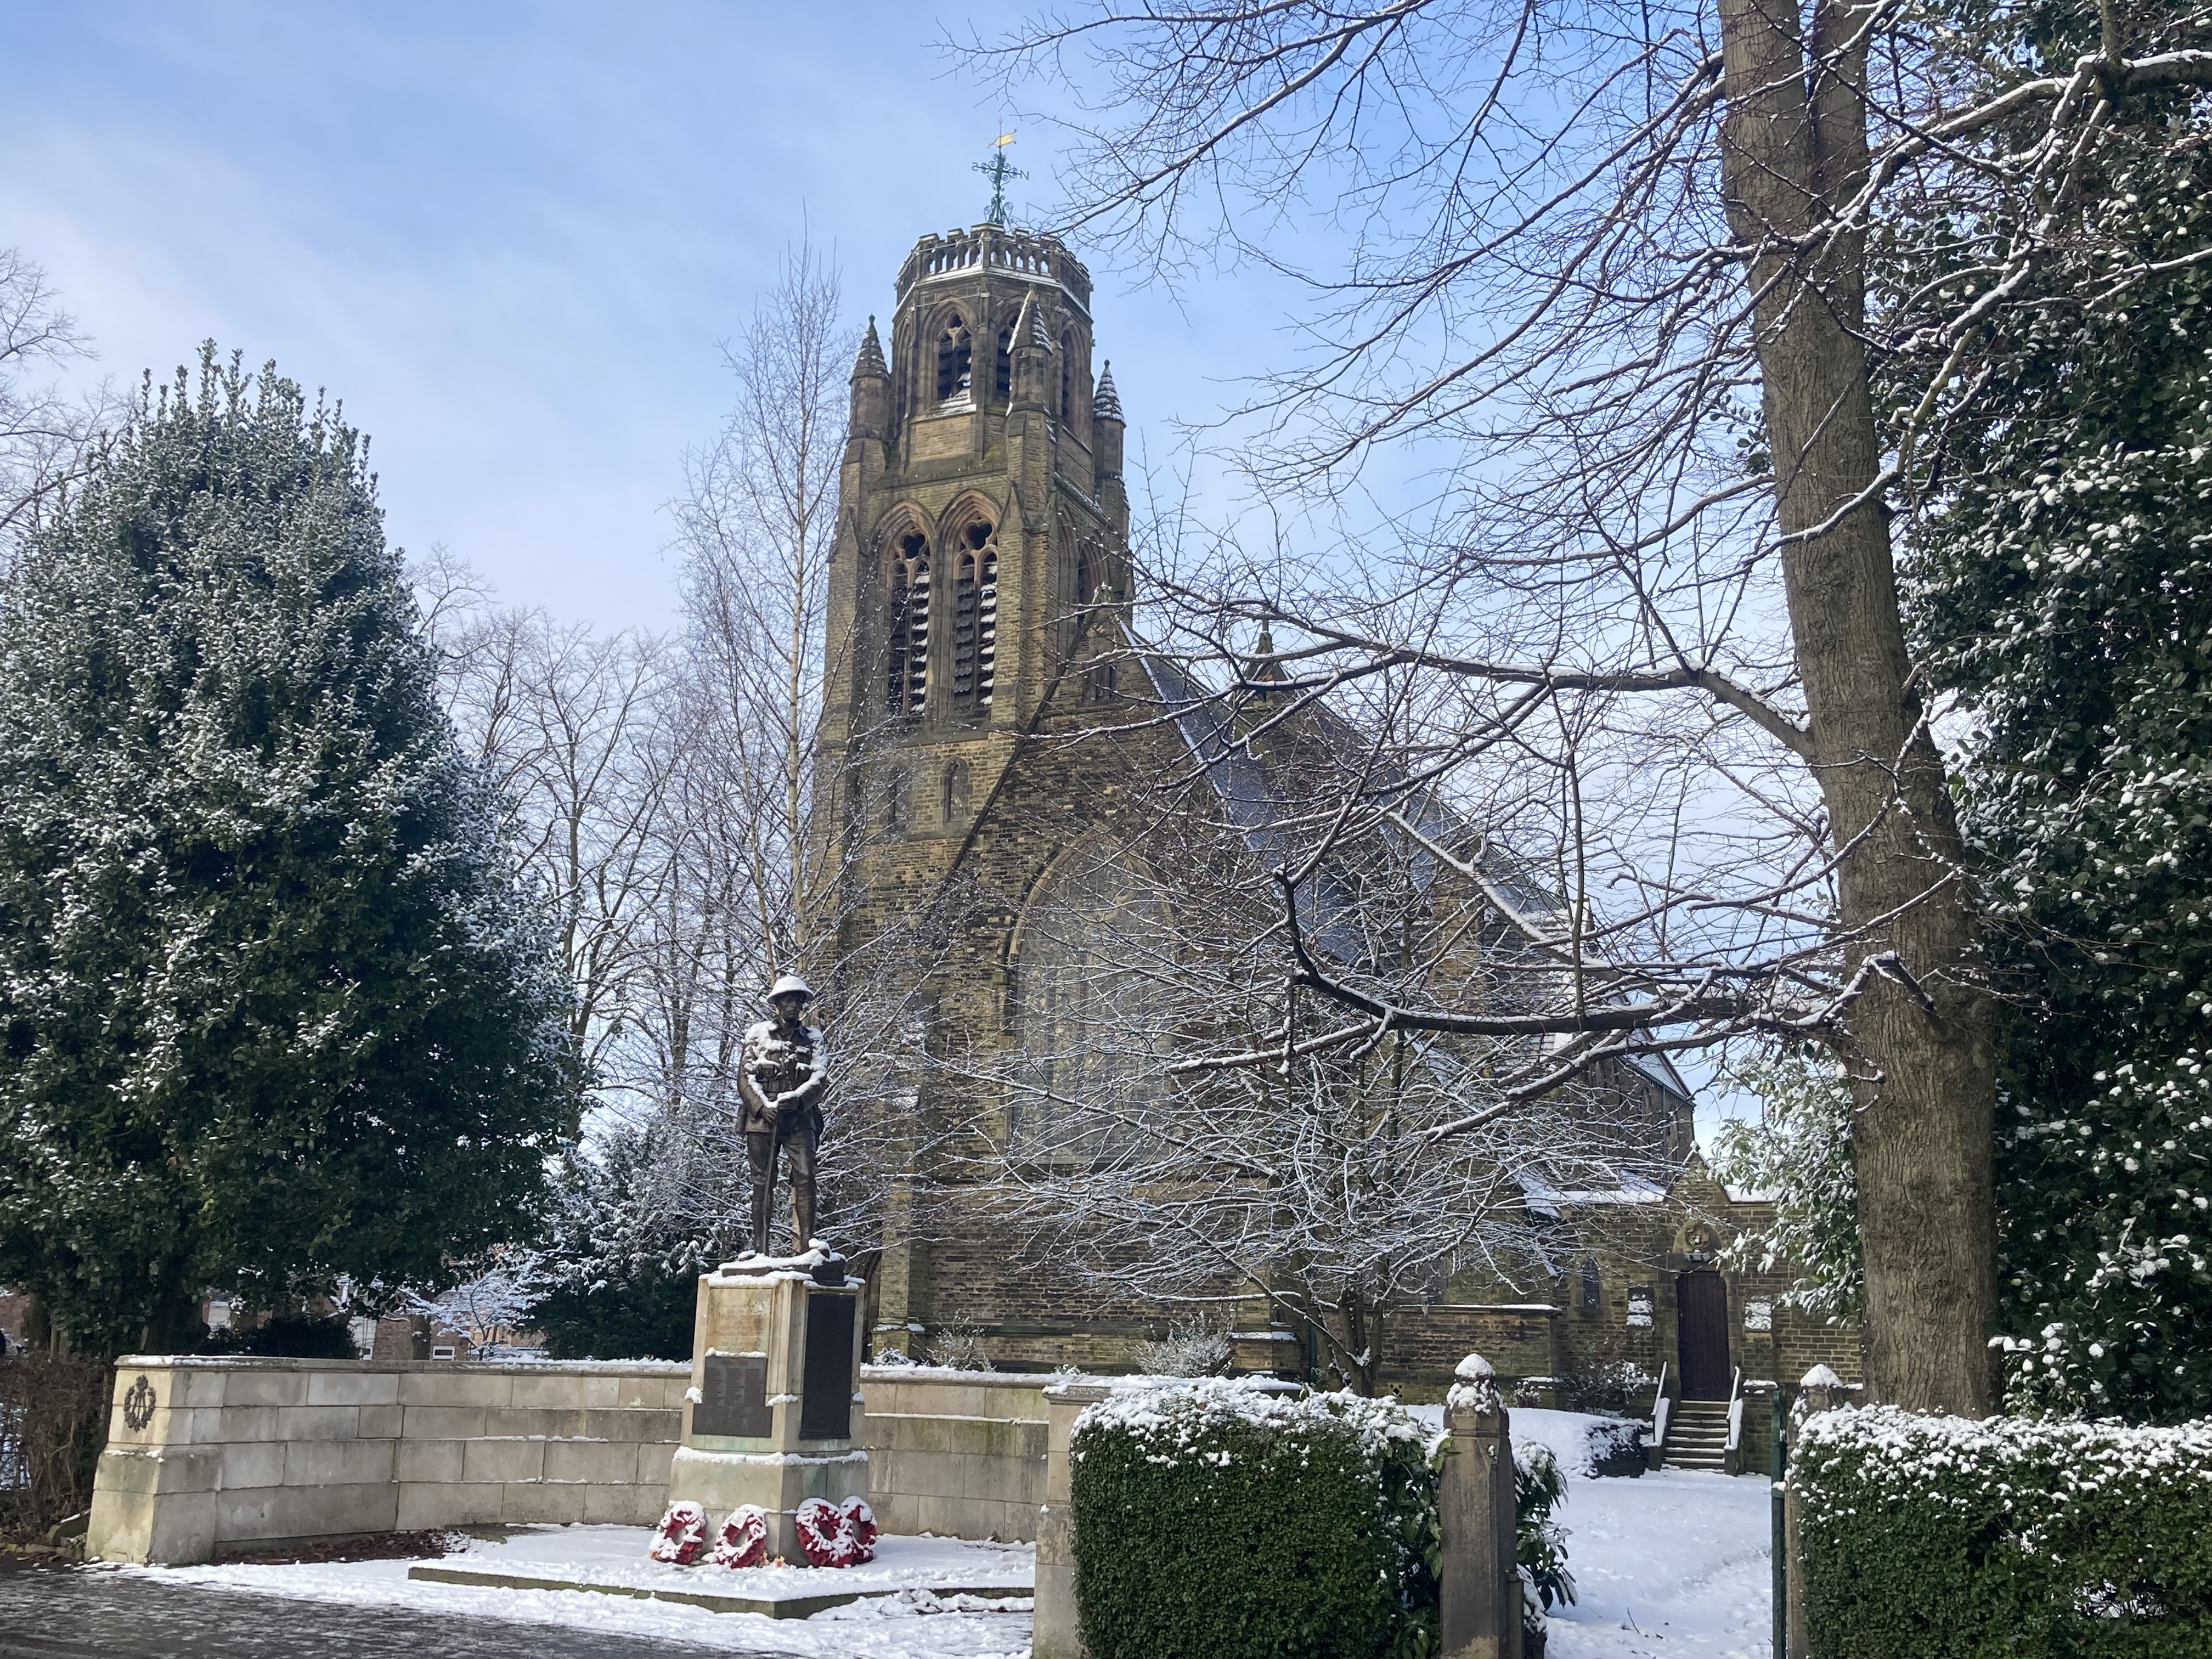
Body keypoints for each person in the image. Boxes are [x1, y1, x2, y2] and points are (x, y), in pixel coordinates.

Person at [737, 974, 827, 1256]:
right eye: (787, 1000)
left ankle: (808, 1247)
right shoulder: (757, 1034)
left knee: (806, 1176)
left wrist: (798, 1100)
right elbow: (745, 1077)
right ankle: (759, 1249)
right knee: (762, 1182)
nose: (792, 1006)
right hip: (762, 1120)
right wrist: (763, 1107)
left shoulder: (813, 1038)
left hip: (800, 1118)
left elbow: (820, 1078)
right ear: (777, 1004)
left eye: (797, 1001)